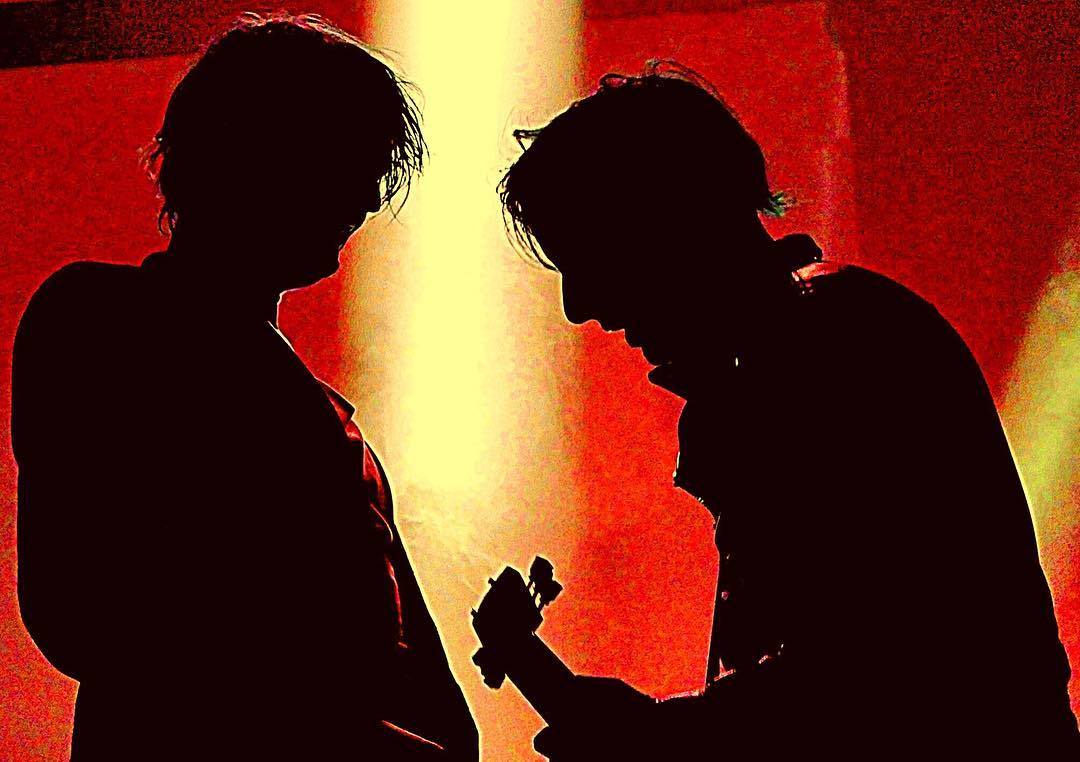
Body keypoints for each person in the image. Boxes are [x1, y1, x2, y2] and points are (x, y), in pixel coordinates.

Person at [496, 61, 1079, 758]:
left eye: (590, 254)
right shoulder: (823, 342)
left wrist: (661, 735)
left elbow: (871, 674)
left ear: (668, 225)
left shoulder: (832, 356)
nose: (579, 306)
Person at [12, 14, 476, 760]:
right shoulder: (99, 320)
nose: (369, 194)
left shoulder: (320, 415)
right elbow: (81, 612)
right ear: (252, 154)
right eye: (347, 154)